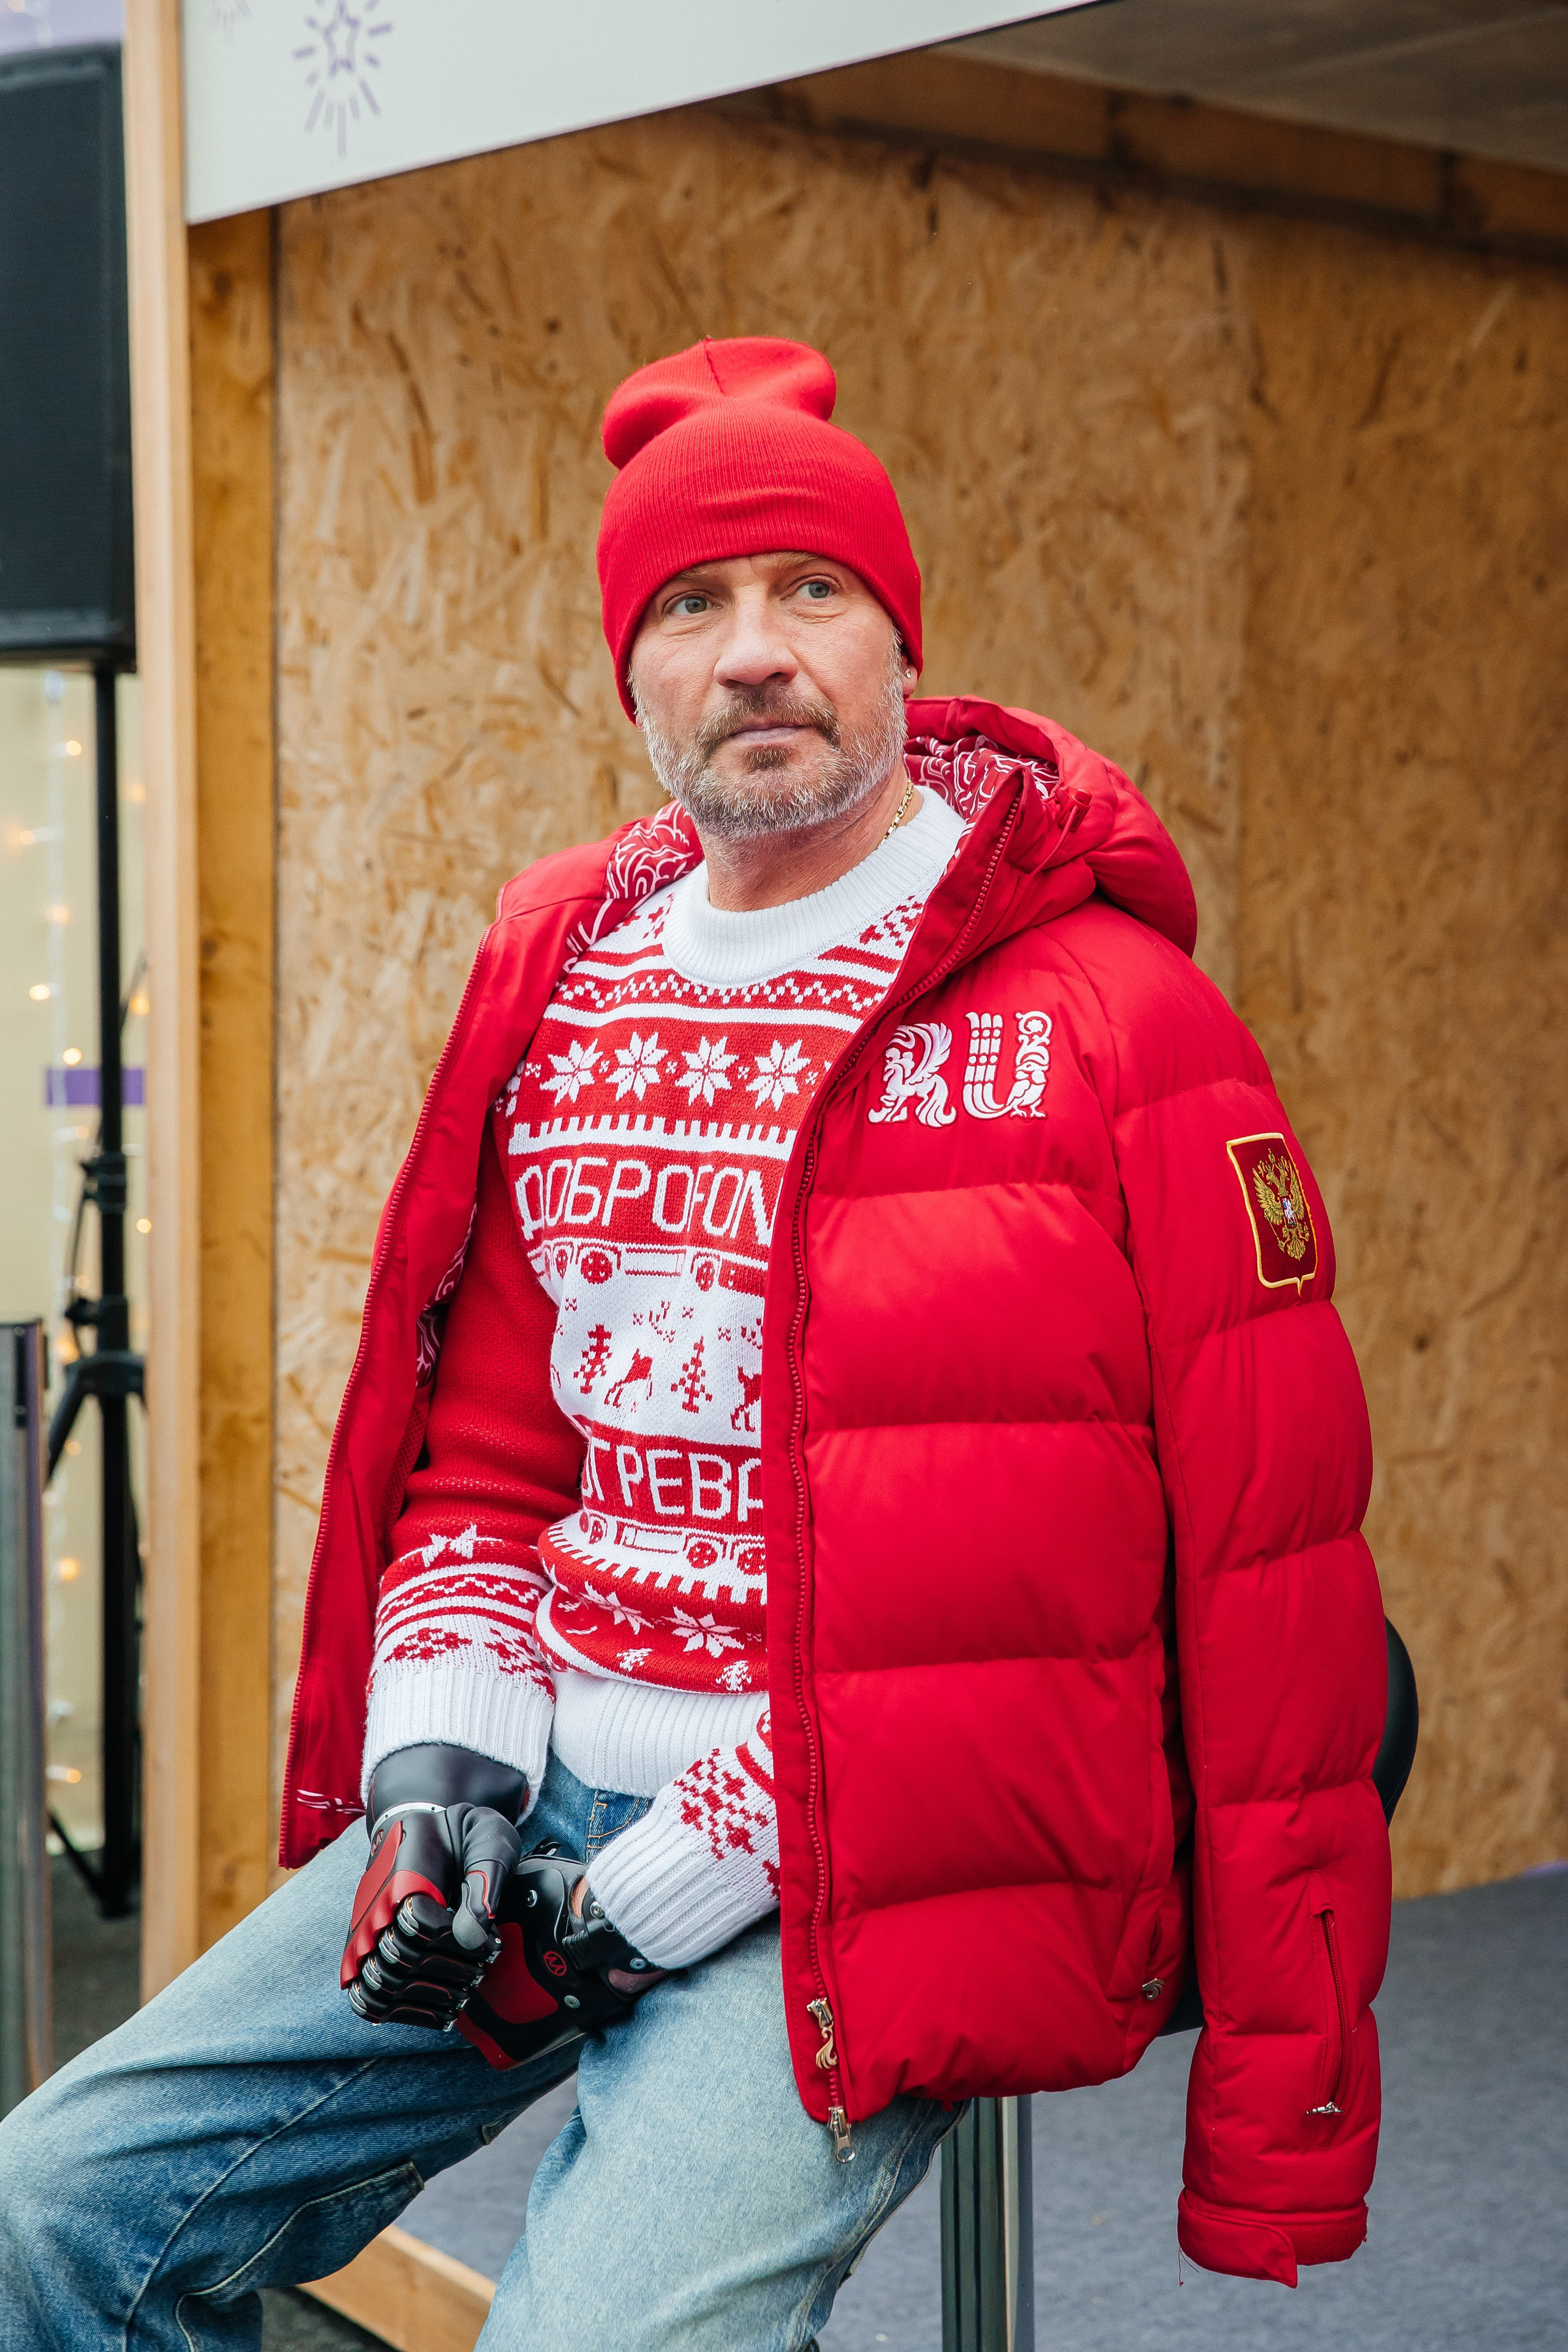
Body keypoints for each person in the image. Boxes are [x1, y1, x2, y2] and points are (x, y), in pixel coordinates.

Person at [0, 337, 1391, 2348]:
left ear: (897, 642)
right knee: (50, 2212)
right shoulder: (561, 980)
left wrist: (1279, 2106)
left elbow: (1232, 1585)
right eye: (689, 605)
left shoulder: (1112, 1020)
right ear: (628, 674)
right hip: (548, 1785)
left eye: (811, 591)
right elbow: (486, 1463)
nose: (755, 652)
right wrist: (441, 1782)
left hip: (862, 1860)